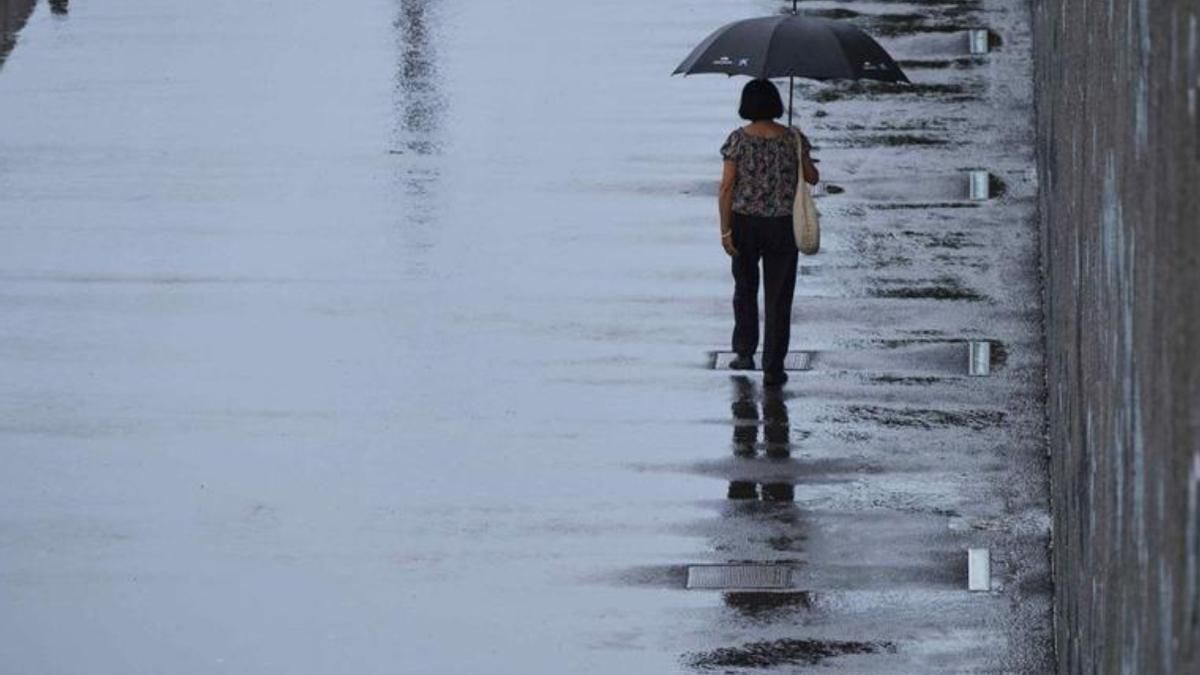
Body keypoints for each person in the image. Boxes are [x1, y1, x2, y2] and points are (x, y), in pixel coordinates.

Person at [718, 79, 819, 387]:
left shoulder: (738, 140)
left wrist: (725, 231)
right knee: (779, 296)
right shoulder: (793, 138)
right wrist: (799, 151)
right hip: (782, 225)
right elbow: (813, 178)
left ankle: (745, 351)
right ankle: (773, 365)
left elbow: (726, 188)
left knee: (745, 289)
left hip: (745, 222)